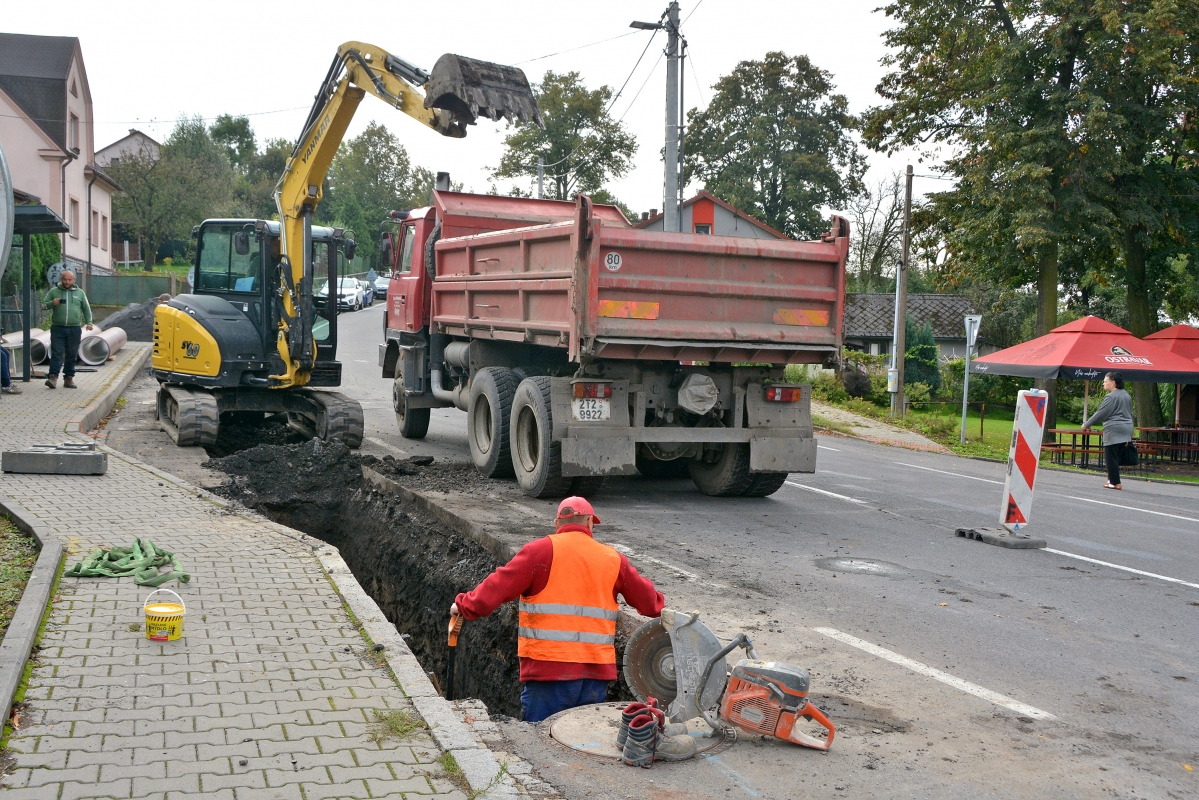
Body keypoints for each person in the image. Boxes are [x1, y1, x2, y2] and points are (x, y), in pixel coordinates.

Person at [451, 497, 670, 722]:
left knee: (540, 742)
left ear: (557, 524)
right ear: (589, 522)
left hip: (548, 674)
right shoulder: (613, 559)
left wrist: (464, 605)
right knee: (583, 743)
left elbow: (495, 588)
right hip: (594, 677)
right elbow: (648, 602)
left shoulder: (539, 552)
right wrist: (660, 605)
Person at [41, 270, 93, 389]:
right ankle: (53, 377)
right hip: (57, 328)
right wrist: (52, 303)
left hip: (74, 328)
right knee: (57, 352)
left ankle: (69, 378)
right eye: (64, 279)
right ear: (61, 279)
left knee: (72, 354)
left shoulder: (80, 293)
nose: (67, 282)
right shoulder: (55, 291)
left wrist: (89, 322)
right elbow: (43, 305)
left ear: (74, 280)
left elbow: (86, 309)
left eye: (69, 280)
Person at [1083, 371, 1134, 490]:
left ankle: (1115, 482)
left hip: (1114, 428)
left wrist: (1087, 424)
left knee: (1111, 456)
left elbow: (1101, 413)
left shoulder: (1111, 397)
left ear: (1113, 383)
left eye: (1106, 381)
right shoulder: (1126, 395)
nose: (1103, 383)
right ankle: (1111, 479)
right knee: (1116, 455)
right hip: (1127, 427)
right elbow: (1130, 413)